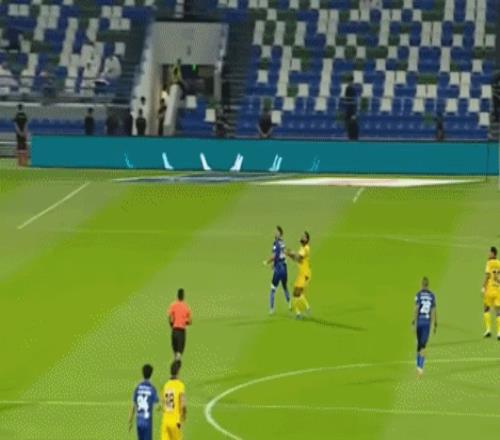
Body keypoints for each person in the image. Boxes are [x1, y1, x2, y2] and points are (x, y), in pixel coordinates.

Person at [412, 277, 437, 376]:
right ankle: (420, 368)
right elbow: (433, 311)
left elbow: (416, 308)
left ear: (422, 284)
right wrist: (434, 324)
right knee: (423, 346)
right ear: (428, 285)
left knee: (419, 345)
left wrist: (414, 321)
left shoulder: (418, 295)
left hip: (419, 322)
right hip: (427, 323)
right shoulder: (432, 296)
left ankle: (418, 367)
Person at [263, 226, 291, 314]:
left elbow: (275, 256)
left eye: (277, 232)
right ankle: (289, 304)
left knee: (272, 289)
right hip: (284, 267)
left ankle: (271, 309)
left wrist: (267, 262)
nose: (275, 233)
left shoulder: (276, 243)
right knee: (284, 286)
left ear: (280, 233)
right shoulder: (283, 242)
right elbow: (284, 253)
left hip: (279, 268)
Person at [129, 364, 159, 440]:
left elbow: (133, 405)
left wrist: (130, 420)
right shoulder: (152, 388)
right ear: (151, 374)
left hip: (139, 422)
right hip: (147, 423)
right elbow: (157, 406)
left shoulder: (138, 387)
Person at [286, 231, 312, 319]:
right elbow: (297, 259)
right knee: (296, 293)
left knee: (296, 293)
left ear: (307, 239)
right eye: (302, 236)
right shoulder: (302, 248)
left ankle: (299, 313)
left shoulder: (306, 248)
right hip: (301, 273)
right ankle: (304, 310)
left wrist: (290, 253)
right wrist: (290, 254)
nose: (302, 238)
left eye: (304, 237)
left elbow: (299, 258)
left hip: (305, 274)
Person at [160, 360, 186, 440]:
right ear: (178, 372)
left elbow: (162, 403)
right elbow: (183, 404)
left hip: (165, 421)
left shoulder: (166, 385)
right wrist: (184, 416)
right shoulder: (180, 385)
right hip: (175, 422)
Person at [167, 289, 192, 361]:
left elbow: (169, 316)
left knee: (175, 353)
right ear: (183, 296)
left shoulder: (173, 305)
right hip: (181, 331)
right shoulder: (186, 307)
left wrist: (171, 324)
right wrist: (186, 322)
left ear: (177, 296)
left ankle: (175, 363)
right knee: (179, 353)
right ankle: (177, 365)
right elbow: (190, 321)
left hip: (174, 330)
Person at [482, 246, 500, 338]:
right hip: (498, 290)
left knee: (486, 308)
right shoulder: (499, 263)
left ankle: (488, 330)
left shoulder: (489, 263)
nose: (488, 254)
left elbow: (487, 276)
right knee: (498, 311)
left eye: (489, 252)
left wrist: (483, 287)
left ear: (493, 253)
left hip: (489, 290)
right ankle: (499, 332)